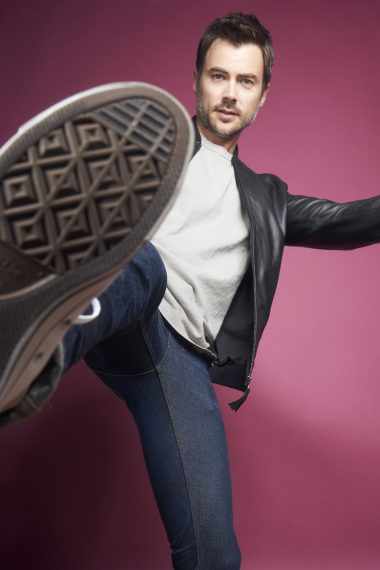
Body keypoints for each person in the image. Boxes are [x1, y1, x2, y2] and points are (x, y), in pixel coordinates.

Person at [1, 11, 379, 570]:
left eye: (245, 81)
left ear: (262, 96)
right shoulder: (146, 155)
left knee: (213, 555)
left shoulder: (266, 200)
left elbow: (347, 221)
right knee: (147, 266)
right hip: (115, 300)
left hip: (176, 360)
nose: (229, 94)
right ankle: (27, 356)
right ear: (197, 80)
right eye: (218, 76)